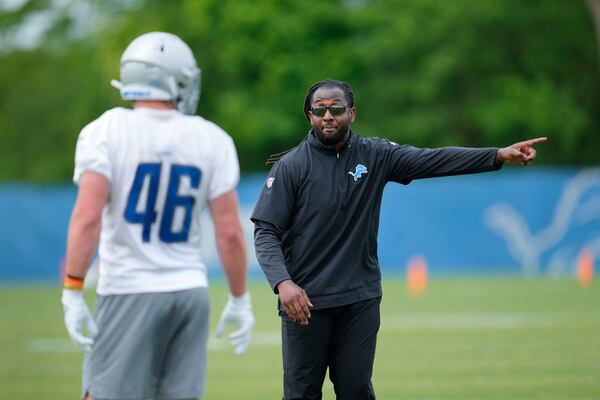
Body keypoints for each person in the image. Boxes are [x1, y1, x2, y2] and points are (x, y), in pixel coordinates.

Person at [251, 79, 546, 400]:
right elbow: (266, 231)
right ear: (309, 116)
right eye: (319, 110)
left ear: (352, 113)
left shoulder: (374, 154)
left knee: (356, 391)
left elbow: (433, 160)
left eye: (336, 109)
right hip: (305, 304)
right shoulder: (291, 166)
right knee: (301, 395)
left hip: (359, 300)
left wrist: (497, 155)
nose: (328, 116)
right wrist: (283, 283)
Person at [61, 32, 255, 400]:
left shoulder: (106, 130)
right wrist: (239, 298)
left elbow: (87, 217)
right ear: (173, 78)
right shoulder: (212, 138)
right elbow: (229, 232)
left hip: (129, 288)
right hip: (189, 292)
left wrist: (72, 291)